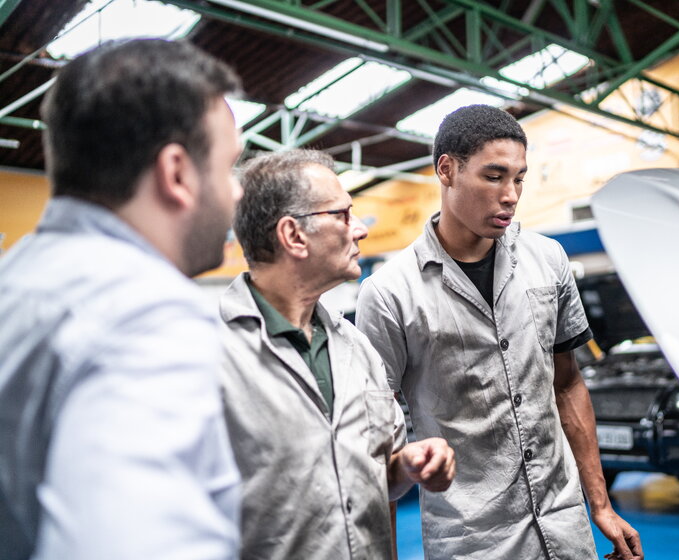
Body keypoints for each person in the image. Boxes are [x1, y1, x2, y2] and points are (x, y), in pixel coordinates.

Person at [356, 104, 643, 560]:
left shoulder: (548, 262)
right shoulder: (390, 293)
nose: (511, 194)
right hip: (474, 542)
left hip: (564, 526)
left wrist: (601, 506)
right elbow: (375, 440)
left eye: (519, 178)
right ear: (446, 170)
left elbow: (567, 384)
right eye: (493, 176)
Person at [0, 39, 244, 559]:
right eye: (228, 169)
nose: (236, 193)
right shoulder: (145, 315)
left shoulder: (14, 278)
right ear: (176, 173)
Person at [220, 149, 456, 559]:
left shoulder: (355, 347)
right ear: (293, 235)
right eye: (343, 215)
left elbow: (375, 475)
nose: (360, 230)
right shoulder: (210, 356)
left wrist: (406, 466)